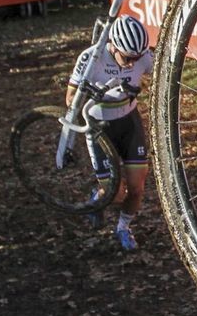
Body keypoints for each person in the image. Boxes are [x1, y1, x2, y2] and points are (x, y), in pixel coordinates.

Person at [66, 15, 154, 251]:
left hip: (129, 123)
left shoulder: (141, 55)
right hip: (99, 127)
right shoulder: (91, 57)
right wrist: (97, 92)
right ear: (113, 46)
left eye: (137, 59)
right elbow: (69, 99)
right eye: (127, 58)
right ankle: (100, 198)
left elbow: (164, 75)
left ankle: (123, 228)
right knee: (115, 193)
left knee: (136, 188)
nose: (132, 63)